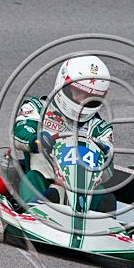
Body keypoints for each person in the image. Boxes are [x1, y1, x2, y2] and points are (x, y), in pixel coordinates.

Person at [12, 55, 116, 212]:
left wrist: (105, 154)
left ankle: (100, 225)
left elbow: (108, 169)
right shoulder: (37, 108)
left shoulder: (99, 127)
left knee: (102, 193)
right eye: (78, 92)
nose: (83, 101)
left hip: (83, 189)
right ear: (64, 85)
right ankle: (34, 212)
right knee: (32, 179)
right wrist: (36, 140)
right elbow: (20, 132)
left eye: (91, 97)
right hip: (45, 179)